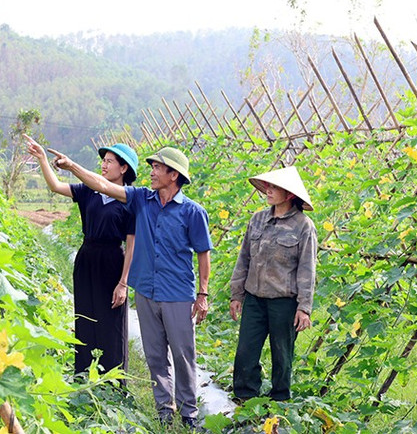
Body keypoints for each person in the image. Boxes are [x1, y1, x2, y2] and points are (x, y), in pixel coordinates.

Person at [46, 145, 212, 430]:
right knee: (155, 354)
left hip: (177, 293)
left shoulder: (193, 212)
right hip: (146, 290)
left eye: (158, 168)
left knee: (183, 355)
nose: (152, 172)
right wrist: (72, 166)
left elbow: (203, 253)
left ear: (174, 175)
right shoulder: (140, 199)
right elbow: (99, 184)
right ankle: (164, 409)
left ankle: (189, 413)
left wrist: (203, 294)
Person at [24, 134, 137, 378]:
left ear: (124, 168)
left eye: (109, 161)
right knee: (85, 316)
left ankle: (113, 381)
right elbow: (55, 186)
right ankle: (83, 374)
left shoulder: (130, 200)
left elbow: (131, 244)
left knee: (111, 322)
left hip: (112, 261)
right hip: (87, 257)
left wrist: (123, 282)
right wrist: (43, 158)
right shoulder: (88, 191)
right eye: (103, 161)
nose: (104, 165)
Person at [229, 166, 317, 402]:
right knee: (246, 351)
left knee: (282, 355)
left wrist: (304, 307)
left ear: (289, 195)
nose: (268, 189)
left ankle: (280, 401)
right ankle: (245, 398)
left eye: (275, 186)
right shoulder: (257, 219)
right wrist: (236, 295)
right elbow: (244, 258)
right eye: (268, 185)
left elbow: (307, 269)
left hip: (284, 303)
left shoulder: (303, 226)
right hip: (254, 299)